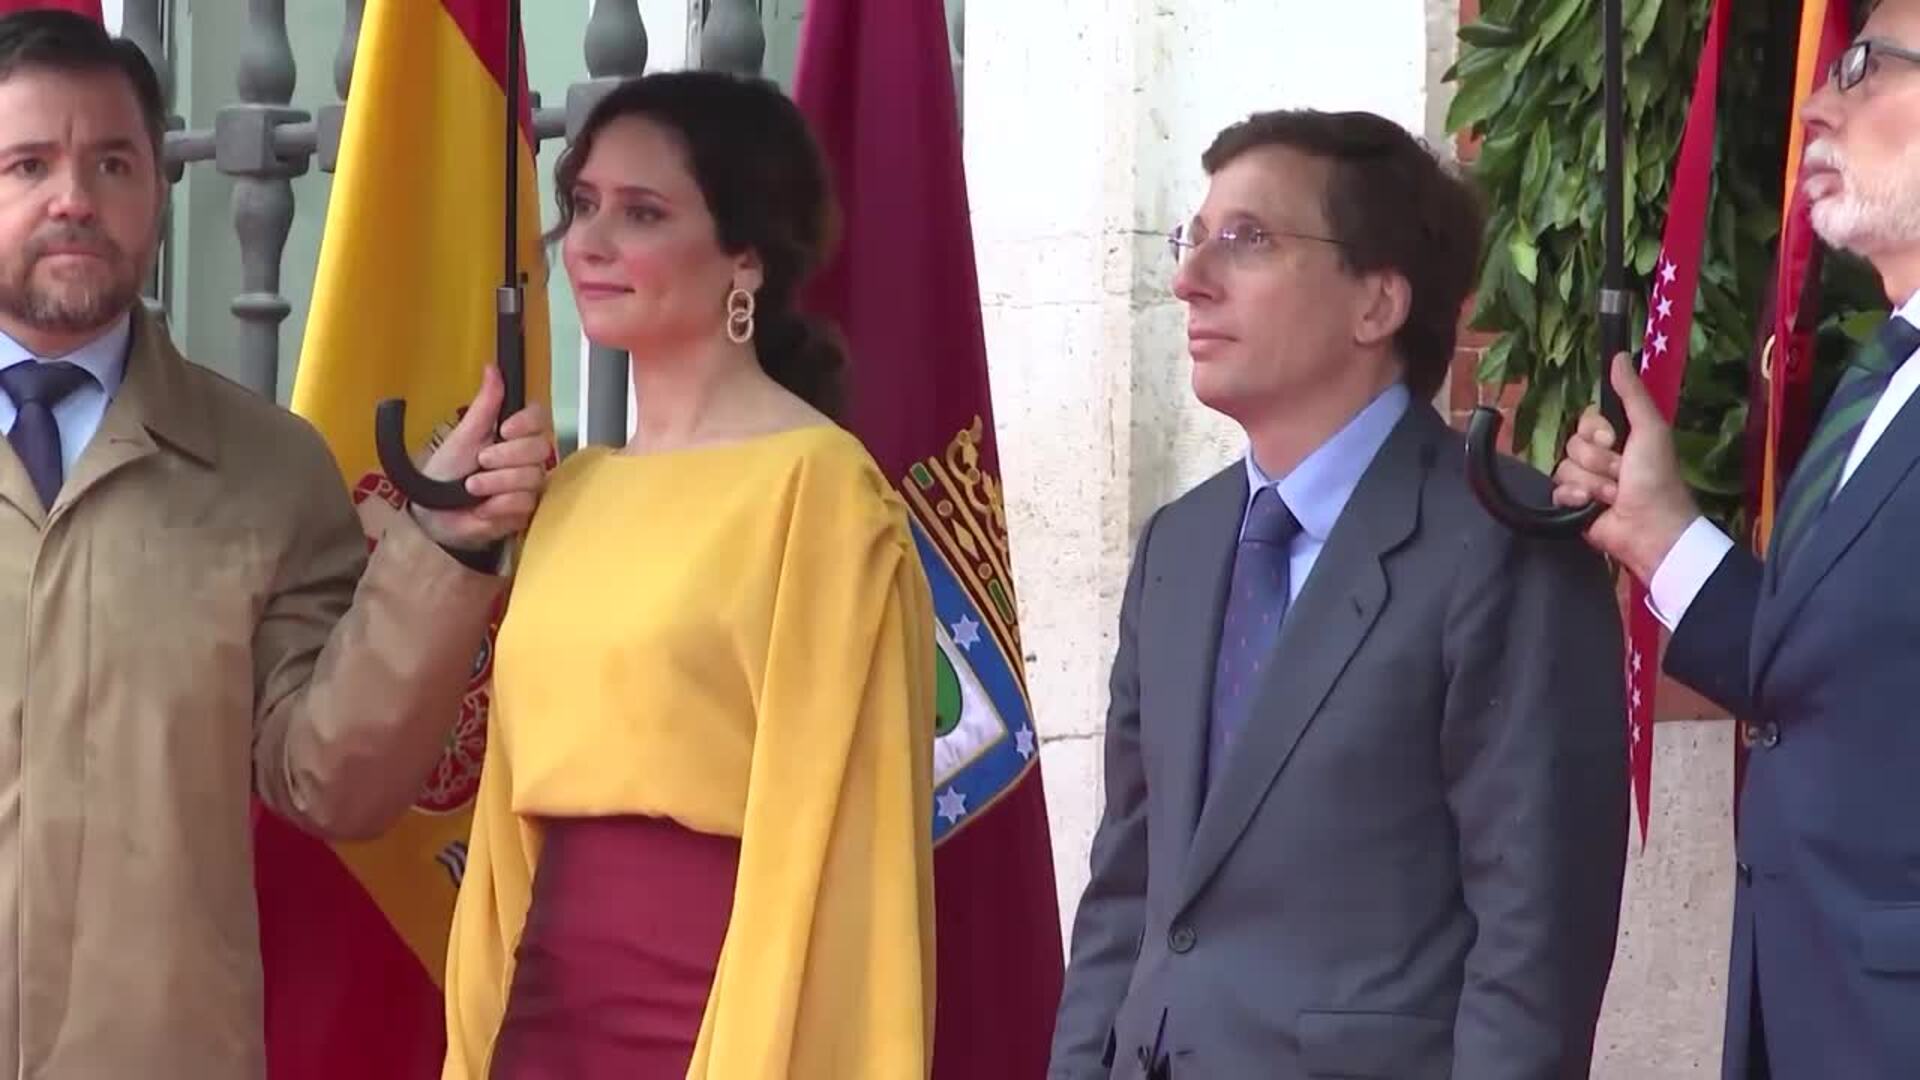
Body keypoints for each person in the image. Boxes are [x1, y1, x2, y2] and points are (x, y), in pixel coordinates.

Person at [0, 10, 554, 1079]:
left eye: (112, 162)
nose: (74, 197)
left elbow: (331, 783)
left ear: (158, 189)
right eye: (28, 165)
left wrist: (443, 549)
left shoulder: (262, 469)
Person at [1049, 108, 1629, 1079]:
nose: (1191, 279)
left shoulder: (1501, 542)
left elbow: (1534, 947)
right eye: (1193, 239)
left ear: (1377, 302)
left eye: (1247, 240)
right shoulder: (1177, 547)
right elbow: (1126, 890)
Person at [440, 71, 937, 1080]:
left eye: (642, 212)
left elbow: (852, 854)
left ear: (745, 255)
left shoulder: (822, 492)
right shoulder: (571, 493)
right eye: (583, 204)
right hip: (536, 1028)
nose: (589, 242)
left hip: (727, 1020)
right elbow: (501, 838)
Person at [1554, 3, 1920, 1075]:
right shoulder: (1886, 377)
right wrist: (1659, 535)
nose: (1816, 107)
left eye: (1863, 67)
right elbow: (1838, 670)